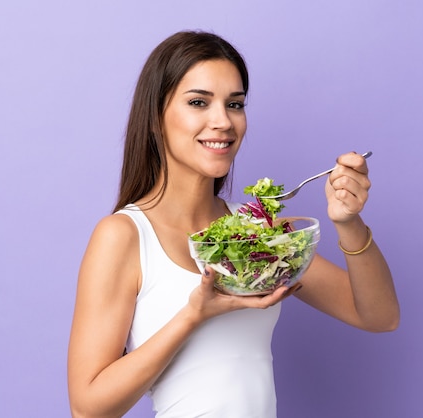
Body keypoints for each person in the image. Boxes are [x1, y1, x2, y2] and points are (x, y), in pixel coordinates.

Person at [67, 30, 400, 418]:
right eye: (198, 102)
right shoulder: (124, 235)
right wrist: (195, 313)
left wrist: (349, 223)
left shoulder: (255, 231)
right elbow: (88, 408)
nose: (222, 121)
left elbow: (379, 316)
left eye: (235, 104)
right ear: (156, 118)